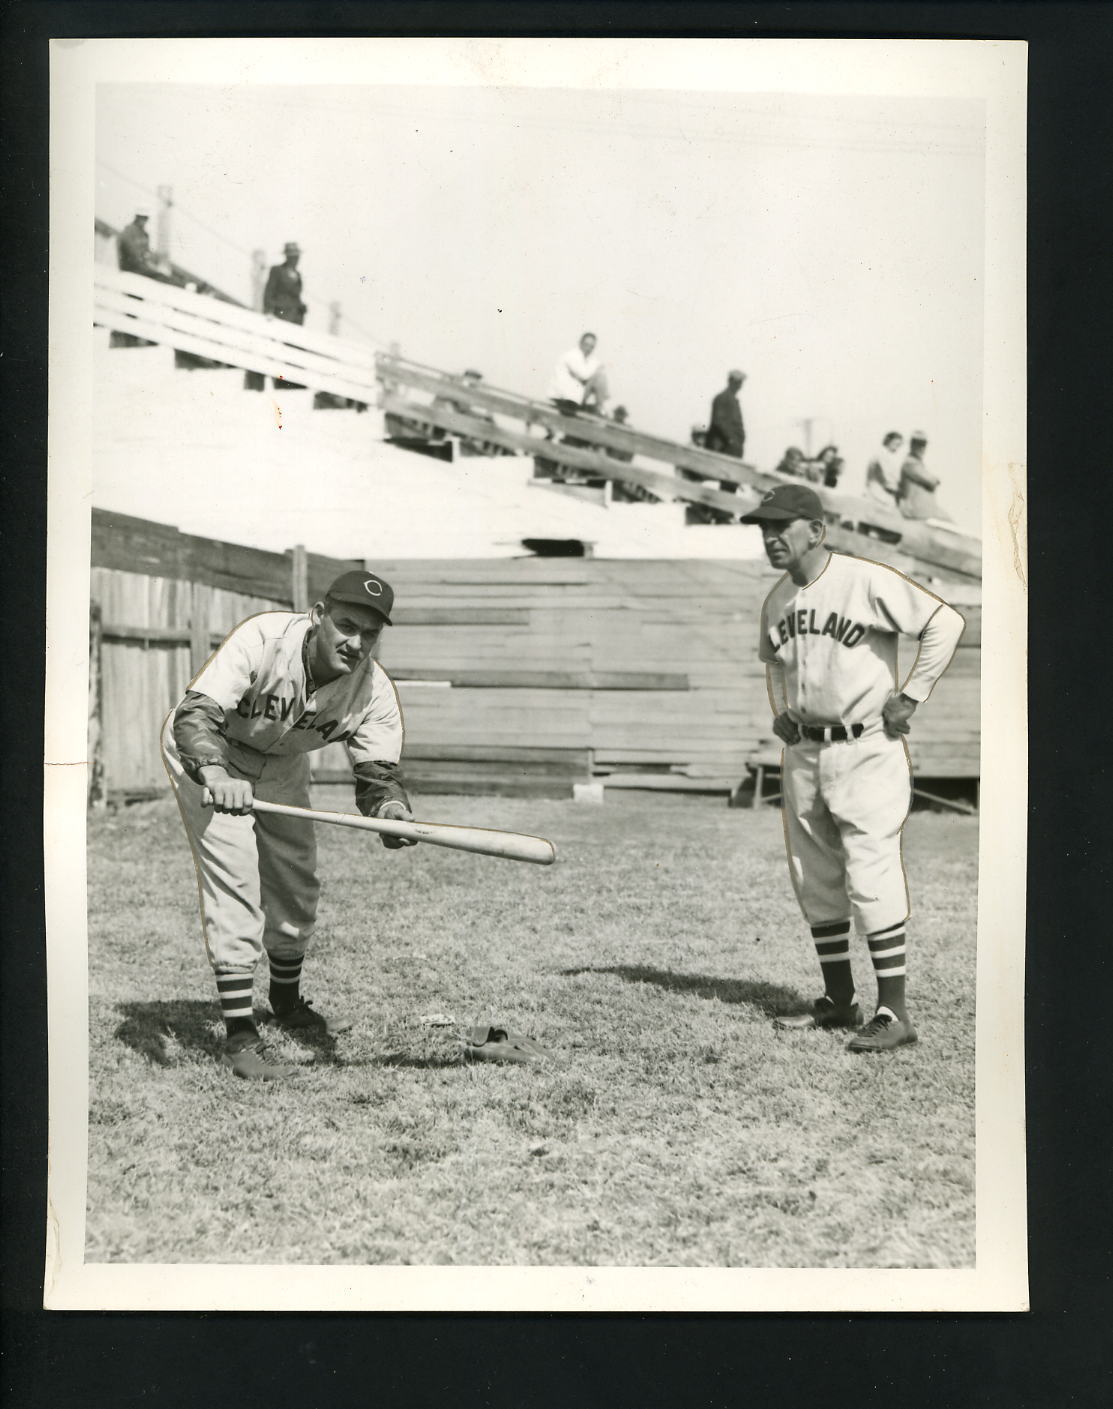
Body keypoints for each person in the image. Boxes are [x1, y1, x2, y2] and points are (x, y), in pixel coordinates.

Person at [160, 570, 417, 1080]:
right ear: (317, 617)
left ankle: (286, 1002)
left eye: (370, 633)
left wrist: (390, 813)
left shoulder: (374, 691)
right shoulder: (264, 637)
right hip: (209, 751)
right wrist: (214, 772)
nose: (356, 642)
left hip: (280, 764)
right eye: (346, 625)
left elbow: (378, 778)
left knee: (297, 879)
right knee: (235, 877)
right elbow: (197, 714)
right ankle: (239, 1036)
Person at [739, 483, 964, 1053]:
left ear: (815, 530)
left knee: (871, 872)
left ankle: (895, 1011)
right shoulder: (777, 601)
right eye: (763, 528)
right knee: (812, 876)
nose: (769, 538)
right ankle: (840, 1002)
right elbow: (773, 662)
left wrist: (911, 694)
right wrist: (781, 711)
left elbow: (946, 623)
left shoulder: (864, 580)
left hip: (866, 747)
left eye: (781, 526)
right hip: (806, 753)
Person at [549, 332, 609, 414]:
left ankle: (599, 406)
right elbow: (584, 375)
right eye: (586, 344)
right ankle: (600, 407)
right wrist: (598, 368)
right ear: (580, 343)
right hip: (563, 398)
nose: (588, 349)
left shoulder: (586, 360)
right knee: (599, 376)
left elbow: (592, 370)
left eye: (591, 347)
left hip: (572, 398)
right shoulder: (571, 355)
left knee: (600, 376)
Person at [116, 207, 177, 283]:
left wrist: (152, 261)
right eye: (143, 218)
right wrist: (147, 262)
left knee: (165, 277)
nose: (145, 221)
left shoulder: (144, 234)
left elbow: (147, 253)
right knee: (162, 278)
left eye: (146, 218)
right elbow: (134, 256)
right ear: (137, 217)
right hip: (131, 269)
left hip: (141, 268)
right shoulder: (128, 232)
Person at [896, 431, 943, 519]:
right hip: (915, 511)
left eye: (923, 444)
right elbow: (931, 481)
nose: (922, 448)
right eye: (919, 444)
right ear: (912, 445)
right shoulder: (910, 463)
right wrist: (935, 480)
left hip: (923, 510)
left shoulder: (916, 463)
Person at [704, 370, 746, 458]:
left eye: (740, 383)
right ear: (730, 381)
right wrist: (731, 440)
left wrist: (739, 441)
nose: (739, 385)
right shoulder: (721, 398)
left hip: (733, 449)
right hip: (722, 447)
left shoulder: (734, 400)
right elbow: (718, 421)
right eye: (736, 382)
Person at [865, 432, 904, 506]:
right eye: (896, 444)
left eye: (899, 446)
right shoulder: (882, 454)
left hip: (878, 492)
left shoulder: (884, 454)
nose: (897, 448)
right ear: (888, 441)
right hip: (878, 494)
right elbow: (887, 477)